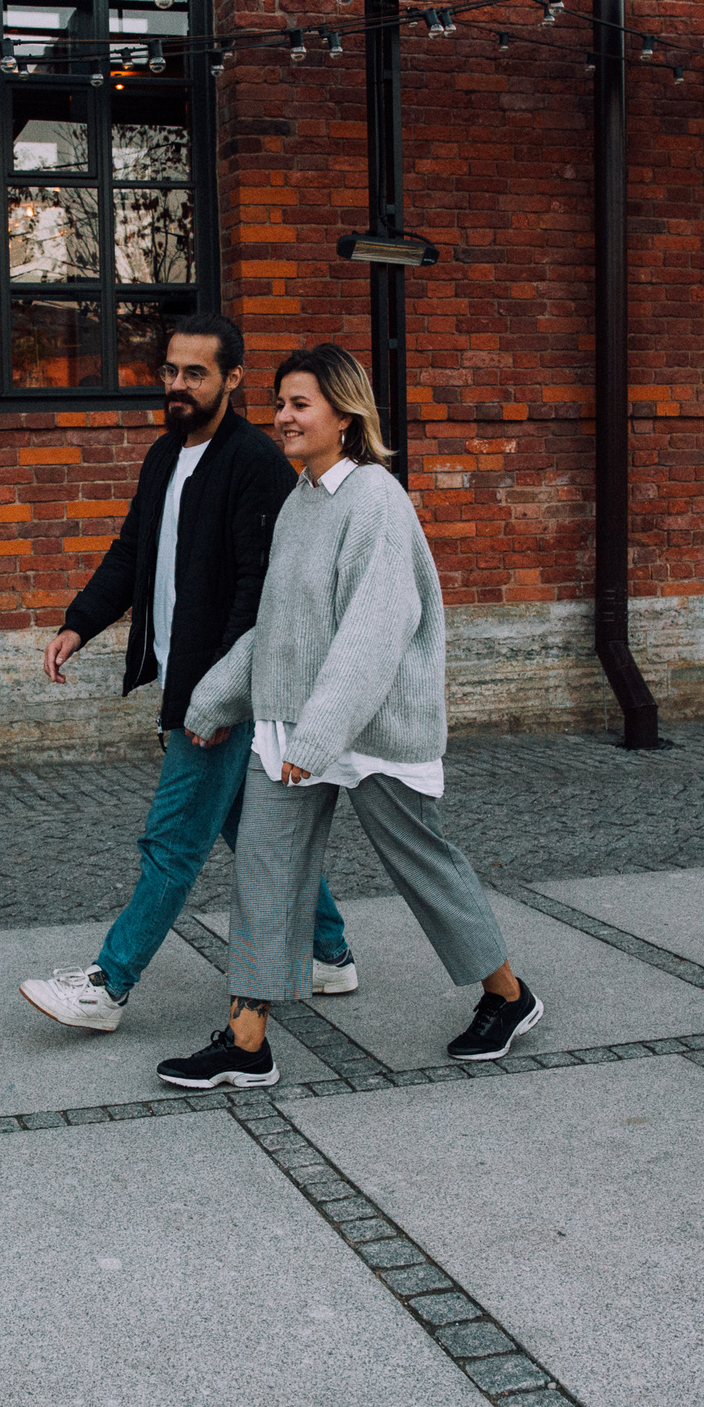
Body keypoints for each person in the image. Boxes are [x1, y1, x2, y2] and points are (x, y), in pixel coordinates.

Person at [160, 343, 540, 1090]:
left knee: (421, 864)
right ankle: (246, 1042)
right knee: (265, 872)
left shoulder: (376, 500)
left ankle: (508, 995)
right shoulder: (302, 502)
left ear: (344, 413)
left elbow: (373, 630)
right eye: (279, 403)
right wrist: (214, 696)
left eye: (300, 404)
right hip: (295, 728)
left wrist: (321, 733)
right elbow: (280, 626)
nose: (282, 417)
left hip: (369, 729)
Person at [19, 315, 357, 1034]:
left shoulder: (254, 464)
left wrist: (222, 697)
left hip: (223, 693)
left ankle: (109, 983)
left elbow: (256, 593)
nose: (176, 384)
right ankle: (329, 950)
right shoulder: (164, 456)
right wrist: (79, 622)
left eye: (194, 372)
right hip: (188, 683)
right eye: (170, 370)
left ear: (232, 379)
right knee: (237, 822)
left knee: (172, 838)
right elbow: (132, 549)